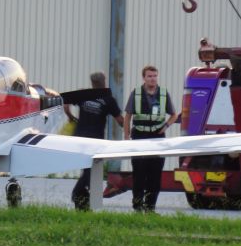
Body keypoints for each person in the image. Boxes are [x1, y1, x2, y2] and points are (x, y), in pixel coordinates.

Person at [65, 71, 123, 211]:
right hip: (95, 141)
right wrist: (128, 126)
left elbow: (66, 104)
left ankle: (85, 199)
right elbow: (119, 120)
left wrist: (71, 118)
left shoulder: (83, 95)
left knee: (87, 169)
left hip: (79, 138)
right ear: (104, 82)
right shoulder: (108, 99)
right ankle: (78, 194)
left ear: (92, 83)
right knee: (90, 170)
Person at [123, 65, 178, 213]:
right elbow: (127, 116)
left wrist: (166, 126)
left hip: (157, 137)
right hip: (139, 136)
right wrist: (126, 137)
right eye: (149, 76)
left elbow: (174, 115)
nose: (153, 79)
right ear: (144, 78)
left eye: (155, 76)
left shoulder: (164, 94)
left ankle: (150, 208)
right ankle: (137, 206)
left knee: (155, 174)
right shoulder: (136, 94)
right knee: (139, 174)